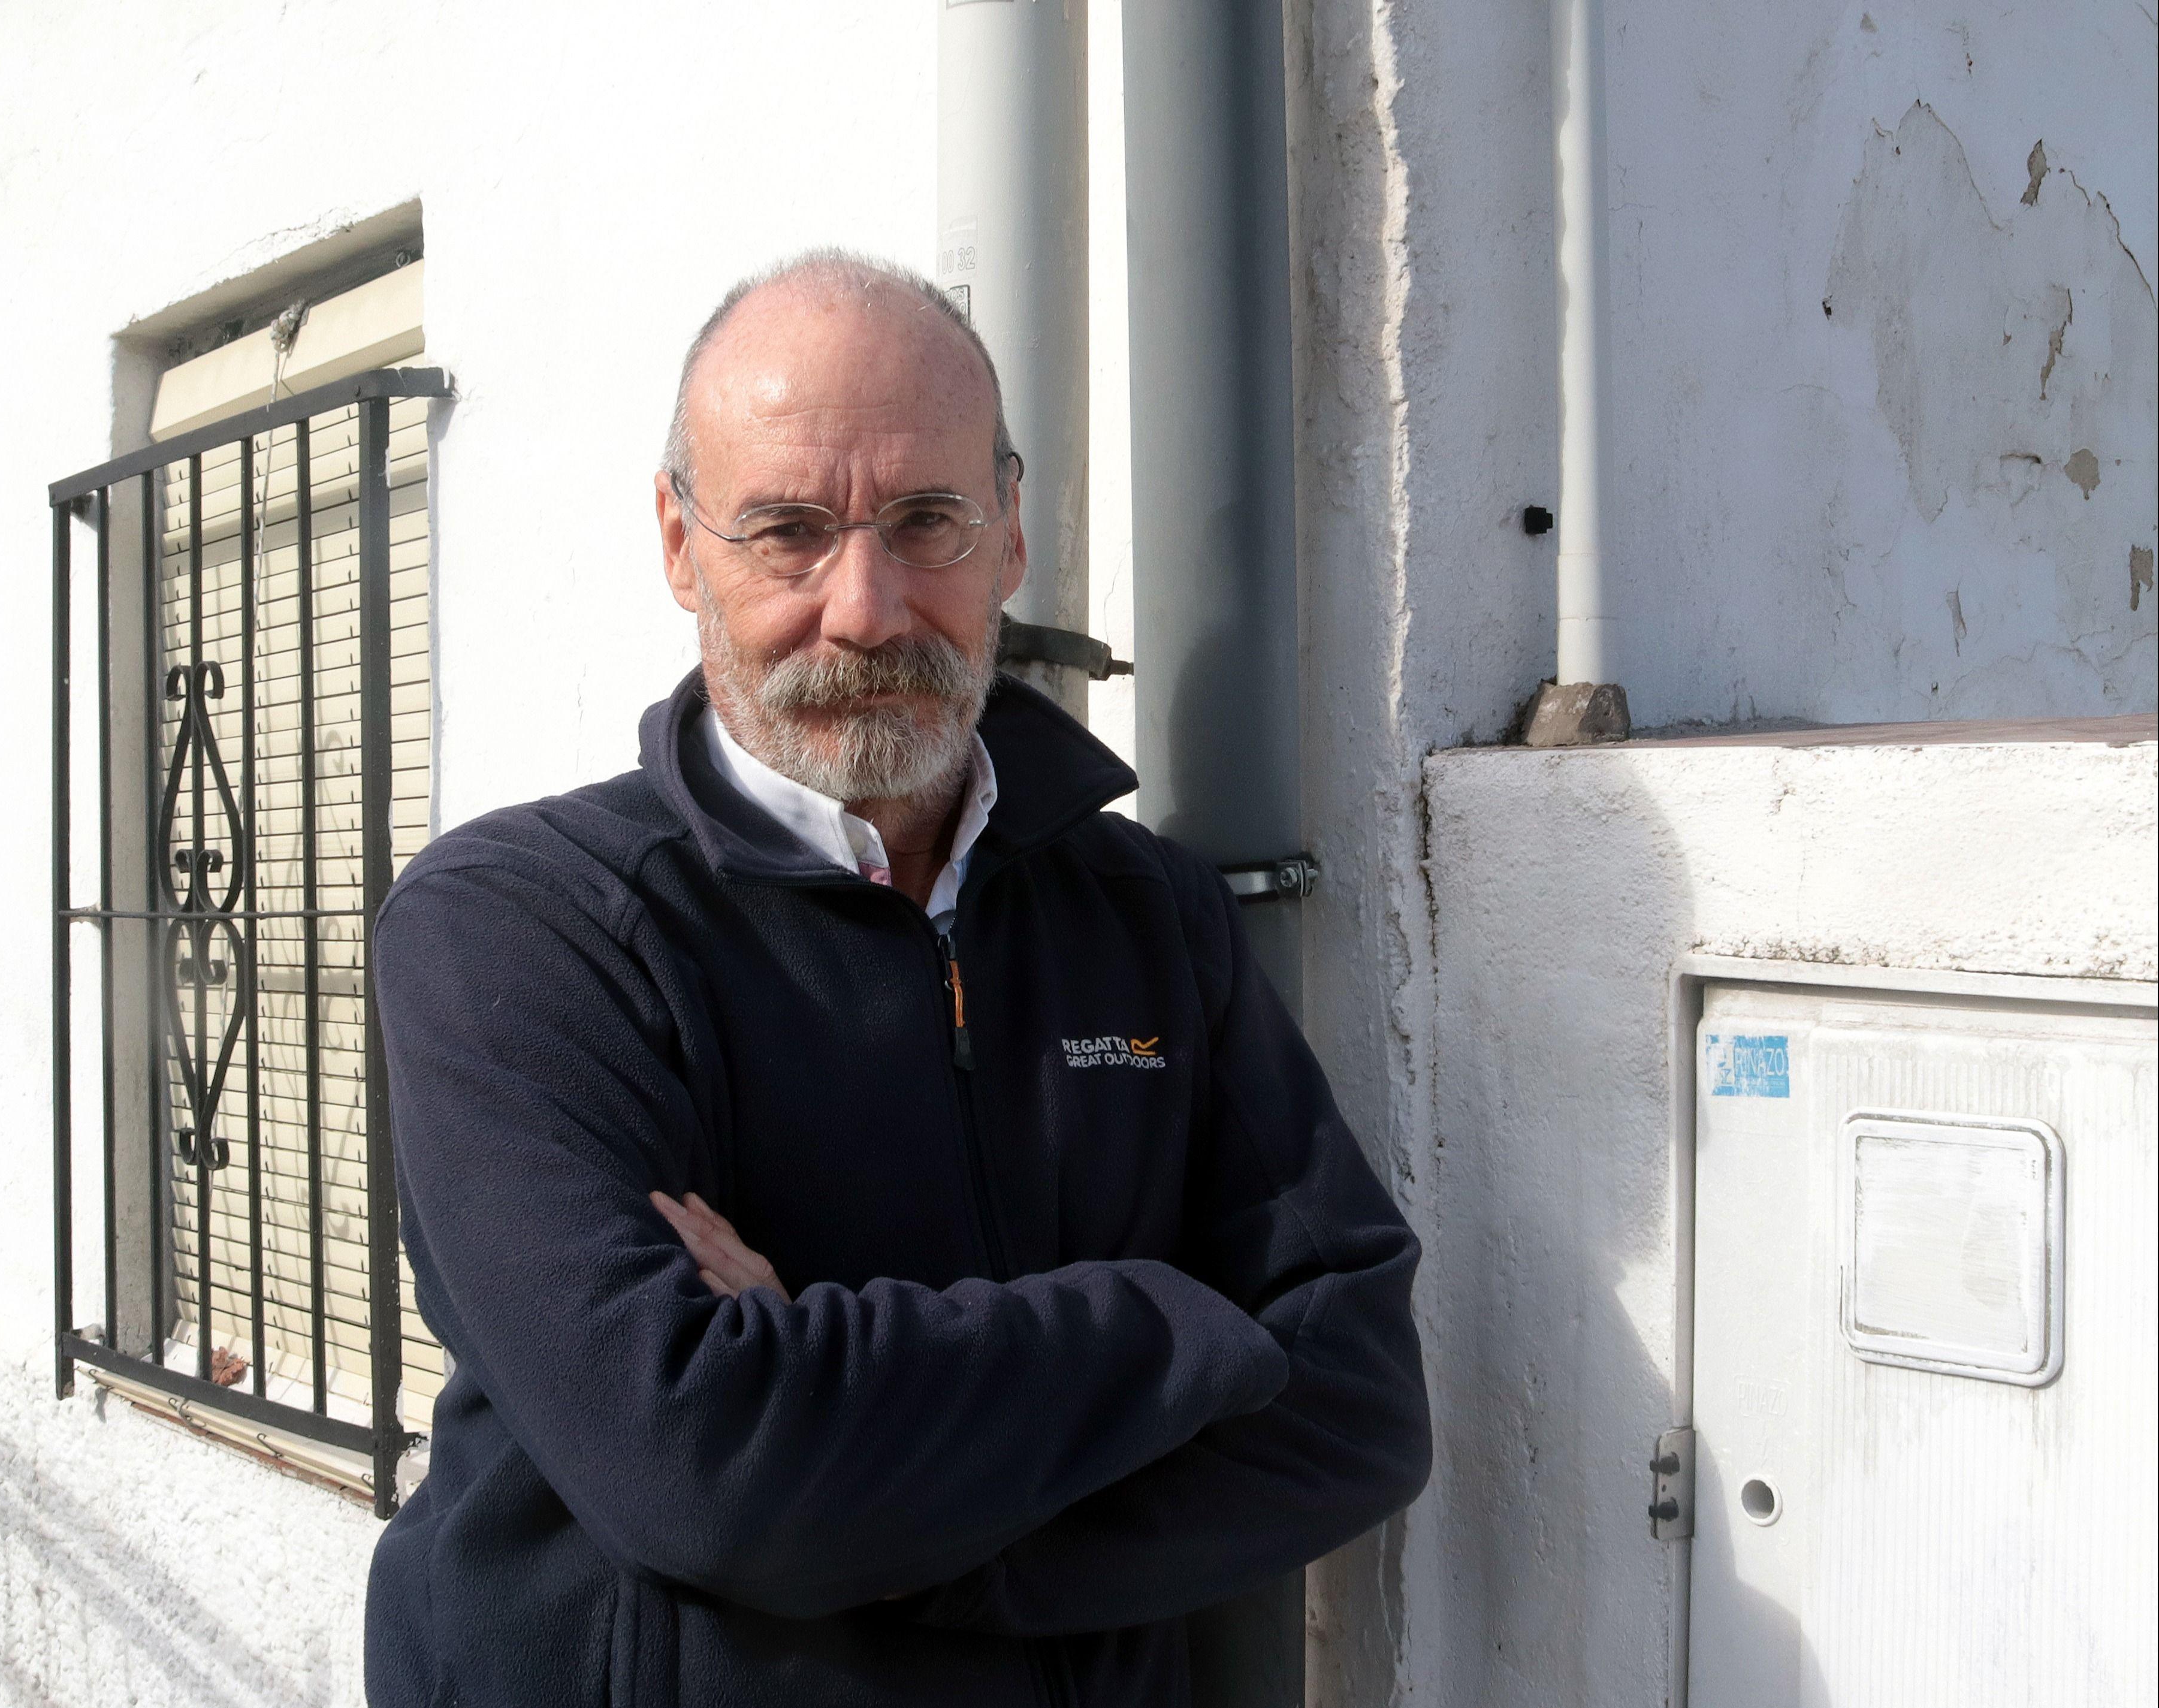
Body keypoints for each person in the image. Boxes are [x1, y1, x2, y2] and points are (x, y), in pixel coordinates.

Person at [365, 249, 1430, 1708]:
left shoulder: (1147, 918)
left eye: (924, 521)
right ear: (681, 549)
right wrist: (1172, 1323)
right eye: (786, 532)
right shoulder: (518, 931)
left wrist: (872, 1526)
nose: (864, 609)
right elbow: (699, 1470)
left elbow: (1360, 1411)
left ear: (1008, 536)